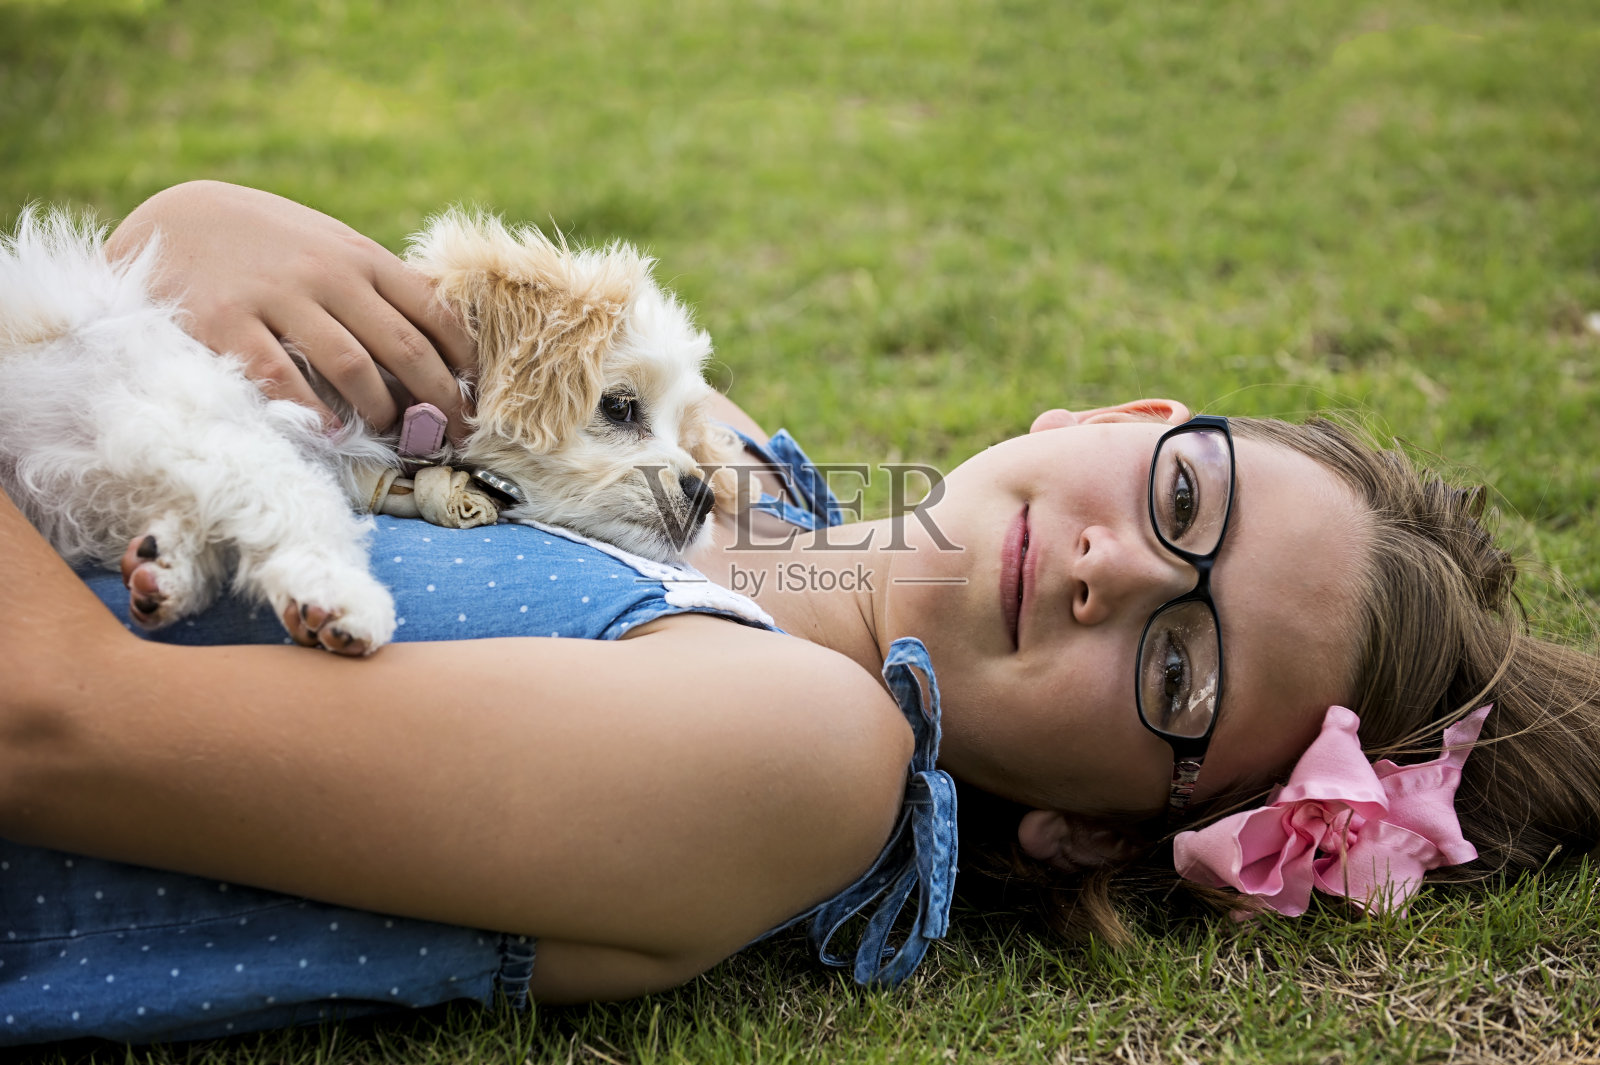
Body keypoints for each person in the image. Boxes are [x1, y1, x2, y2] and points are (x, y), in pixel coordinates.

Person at [1, 181, 1596, 1045]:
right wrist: (189, 228)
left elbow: (49, 720)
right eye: (1183, 498)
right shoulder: (740, 467)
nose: (1118, 567)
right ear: (1106, 415)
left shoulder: (805, 750)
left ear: (1090, 833)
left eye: (1176, 662)